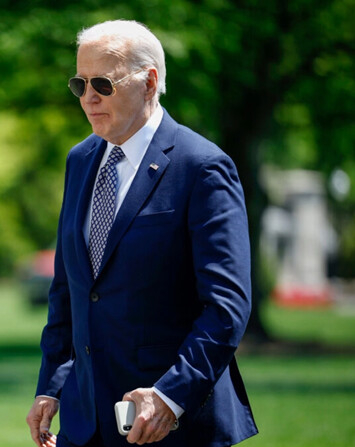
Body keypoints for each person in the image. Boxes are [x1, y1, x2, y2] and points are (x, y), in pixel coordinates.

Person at [26, 20, 258, 447]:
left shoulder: (203, 167)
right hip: (86, 421)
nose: (89, 97)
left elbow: (226, 308)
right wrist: (51, 385)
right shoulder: (80, 159)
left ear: (149, 82)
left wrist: (171, 396)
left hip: (171, 426)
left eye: (103, 83)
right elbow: (69, 289)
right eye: (80, 84)